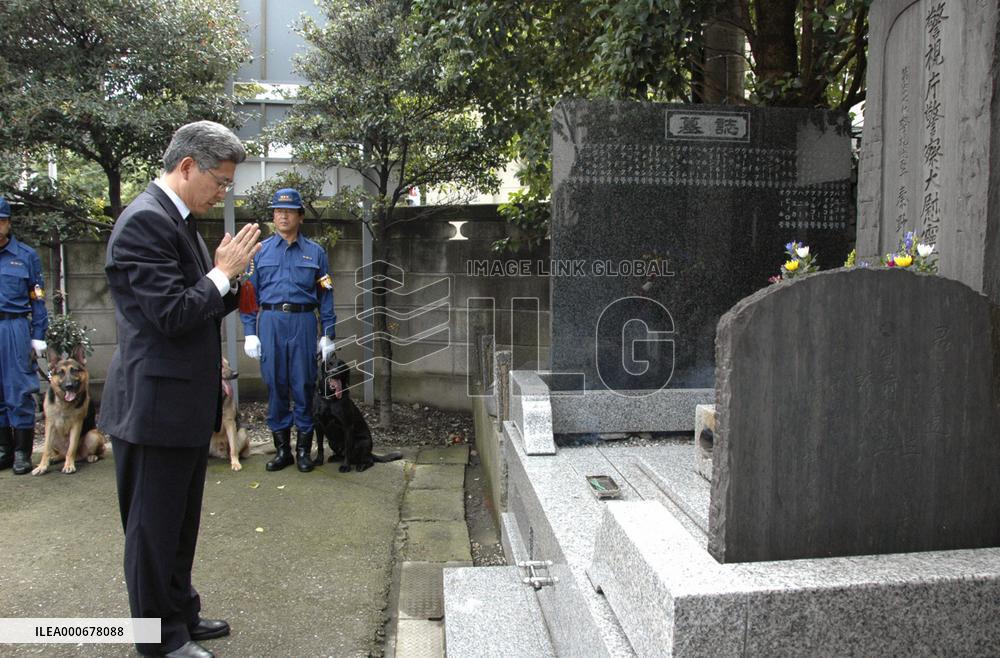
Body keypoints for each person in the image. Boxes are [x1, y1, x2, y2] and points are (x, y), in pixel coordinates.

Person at [100, 121, 261, 658]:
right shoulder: (144, 222)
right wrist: (220, 274)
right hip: (153, 406)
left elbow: (197, 306)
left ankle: (180, 615)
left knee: (177, 525)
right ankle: (158, 641)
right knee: (151, 532)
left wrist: (229, 281)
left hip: (182, 403)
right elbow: (169, 314)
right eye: (220, 179)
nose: (224, 191)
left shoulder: (177, 220)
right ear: (187, 165)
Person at [240, 187, 336, 473]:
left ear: (300, 216)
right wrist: (250, 331)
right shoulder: (260, 252)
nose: (282, 216)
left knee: (304, 385)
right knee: (275, 385)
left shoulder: (316, 253)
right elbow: (248, 295)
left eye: (289, 211)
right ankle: (283, 450)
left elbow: (326, 294)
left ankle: (304, 451)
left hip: (304, 323)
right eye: (278, 211)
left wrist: (328, 333)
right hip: (270, 323)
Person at [0, 196, 48, 475]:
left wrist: (37, 336)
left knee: (19, 389)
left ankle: (21, 451)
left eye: (1, 222)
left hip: (14, 327)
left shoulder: (25, 256)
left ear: (7, 223)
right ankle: (4, 448)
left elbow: (37, 300)